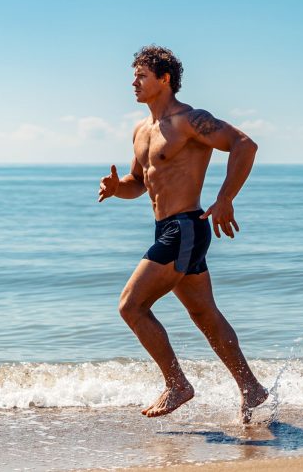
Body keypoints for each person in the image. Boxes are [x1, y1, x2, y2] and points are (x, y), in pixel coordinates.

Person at [98, 45, 268, 423]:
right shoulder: (142, 131)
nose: (134, 82)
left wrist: (225, 198)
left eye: (141, 75)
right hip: (170, 228)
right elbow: (138, 183)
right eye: (134, 75)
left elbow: (245, 144)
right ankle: (251, 388)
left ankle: (177, 384)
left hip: (186, 227)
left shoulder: (189, 120)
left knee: (131, 305)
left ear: (164, 79)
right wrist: (116, 188)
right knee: (204, 313)